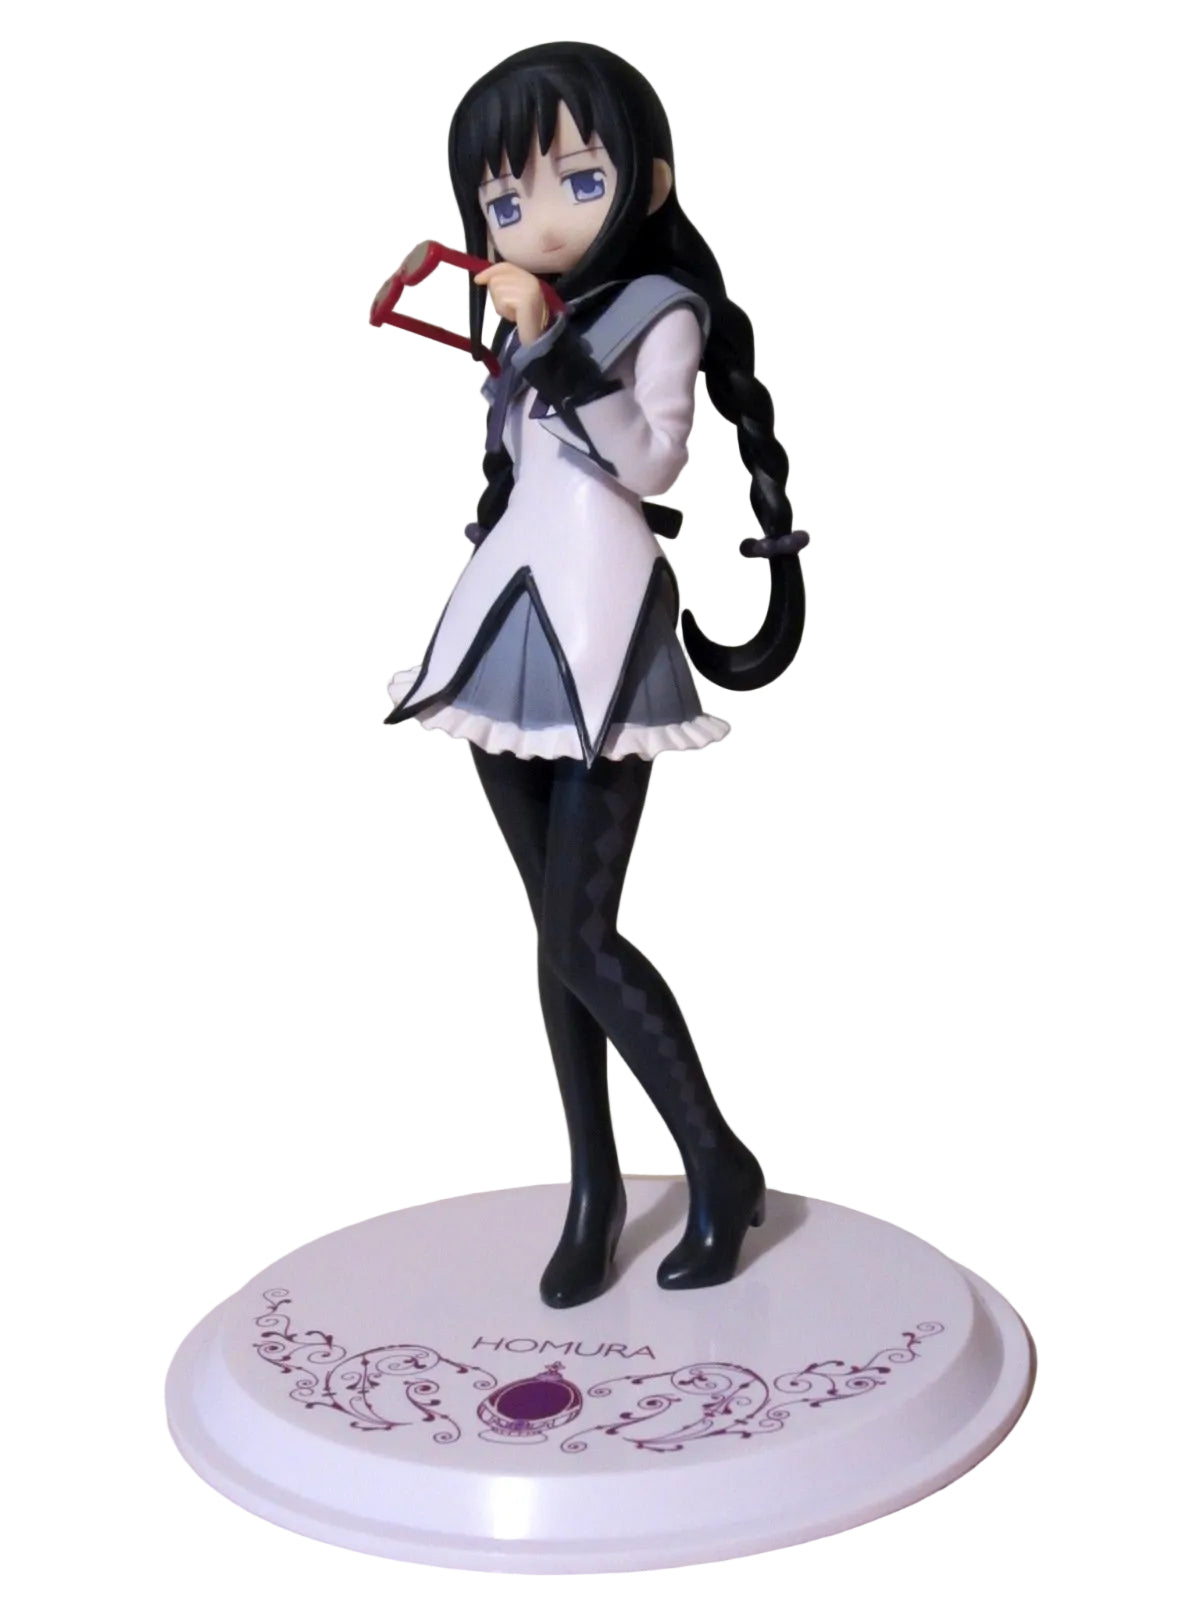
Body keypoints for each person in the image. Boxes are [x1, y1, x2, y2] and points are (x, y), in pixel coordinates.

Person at [385, 42, 807, 1308]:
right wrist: (531, 344)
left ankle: (717, 1159)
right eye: (506, 199)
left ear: (649, 182)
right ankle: (594, 1186)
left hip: (603, 629)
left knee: (580, 930)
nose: (539, 217)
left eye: (578, 179)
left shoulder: (658, 310)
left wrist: (551, 343)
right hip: (504, 627)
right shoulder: (537, 323)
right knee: (554, 937)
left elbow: (652, 459)